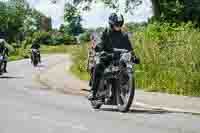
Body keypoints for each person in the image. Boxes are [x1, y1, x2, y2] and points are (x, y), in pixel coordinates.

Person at [88, 13, 139, 100]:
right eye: (117, 24)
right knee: (98, 66)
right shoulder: (106, 32)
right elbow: (101, 43)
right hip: (107, 57)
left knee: (124, 69)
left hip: (118, 59)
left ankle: (119, 92)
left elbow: (129, 48)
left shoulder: (124, 35)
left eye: (120, 24)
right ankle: (93, 91)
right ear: (111, 23)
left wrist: (134, 57)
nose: (119, 26)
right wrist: (98, 48)